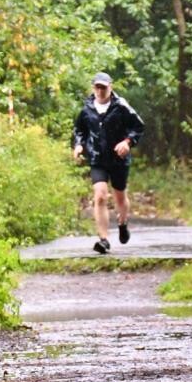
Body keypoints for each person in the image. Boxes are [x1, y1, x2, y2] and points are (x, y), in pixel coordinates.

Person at [72, 72, 144, 255]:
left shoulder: (121, 106)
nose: (100, 90)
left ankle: (122, 222)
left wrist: (127, 142)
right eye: (97, 87)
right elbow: (79, 130)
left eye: (103, 87)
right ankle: (103, 240)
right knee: (100, 196)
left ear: (110, 87)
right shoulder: (87, 109)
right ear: (93, 88)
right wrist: (79, 145)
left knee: (119, 195)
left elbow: (138, 127)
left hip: (118, 159)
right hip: (97, 158)